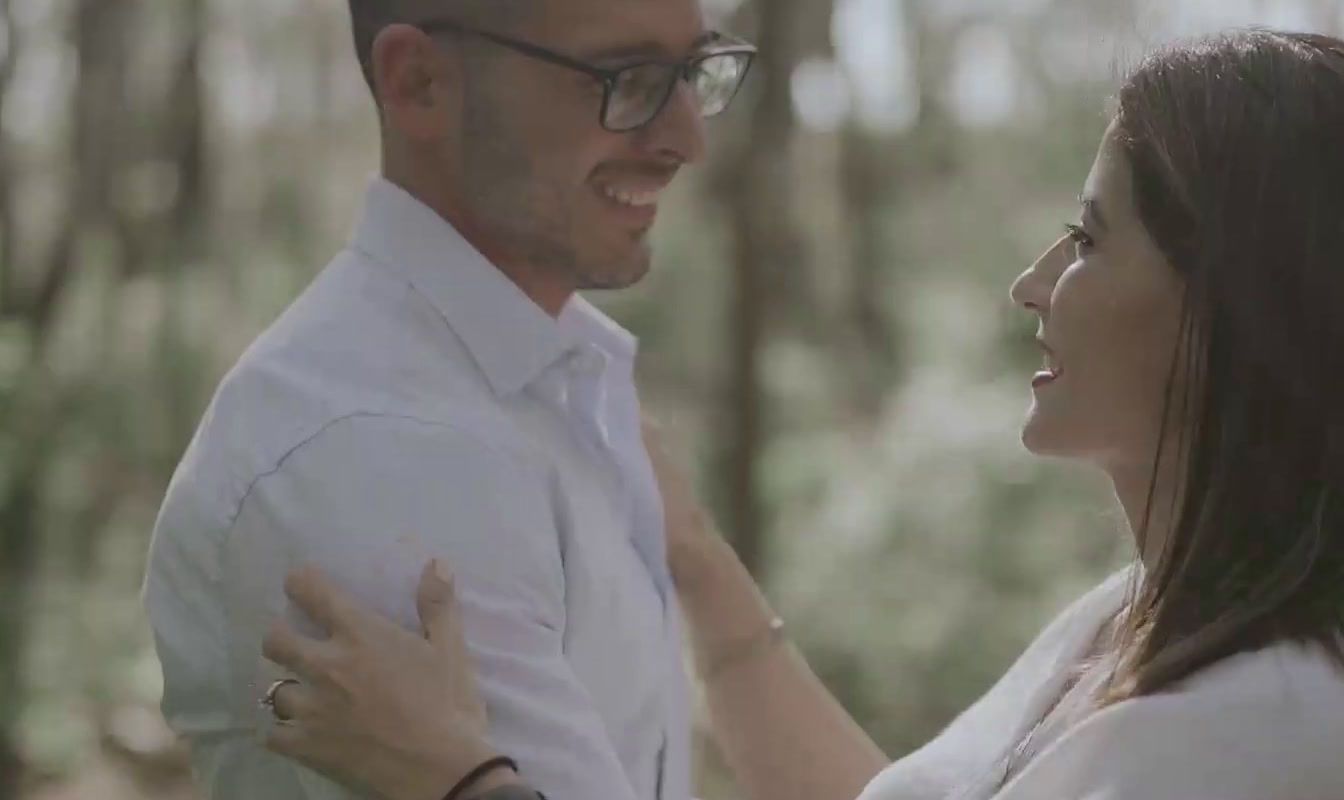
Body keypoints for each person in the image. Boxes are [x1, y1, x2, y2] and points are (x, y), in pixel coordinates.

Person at [257, 28, 1344, 800]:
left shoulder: (1268, 728)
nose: (1032, 279)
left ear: (1233, 310)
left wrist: (460, 777)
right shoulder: (1133, 616)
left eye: (1090, 238)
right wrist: (697, 559)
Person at [140, 0, 755, 798]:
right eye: (628, 79)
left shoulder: (556, 385)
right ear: (420, 82)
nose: (687, 140)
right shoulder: (381, 452)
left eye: (691, 74)